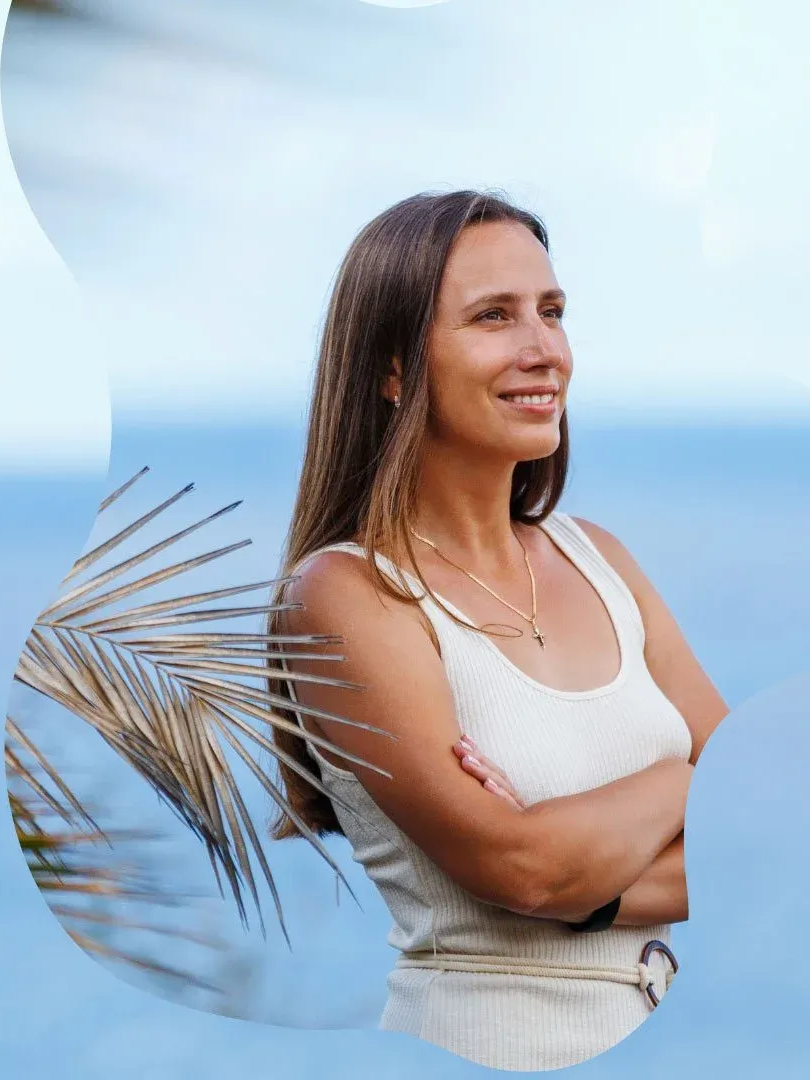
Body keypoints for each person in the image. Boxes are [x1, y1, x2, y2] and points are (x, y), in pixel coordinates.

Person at [263, 189, 729, 1071]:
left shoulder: (601, 560)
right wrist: (680, 776)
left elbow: (767, 827)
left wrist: (588, 886)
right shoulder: (344, 595)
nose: (542, 349)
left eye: (551, 313)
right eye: (494, 317)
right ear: (394, 368)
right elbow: (525, 871)